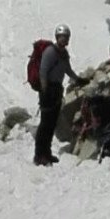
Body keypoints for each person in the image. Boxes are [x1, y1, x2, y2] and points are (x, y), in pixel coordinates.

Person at [34, 24, 85, 166]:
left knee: (51, 124)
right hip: (48, 91)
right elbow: (43, 71)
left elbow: (68, 70)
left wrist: (78, 80)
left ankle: (47, 153)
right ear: (57, 37)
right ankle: (39, 155)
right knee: (45, 124)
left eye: (66, 37)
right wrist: (44, 90)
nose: (64, 39)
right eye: (62, 37)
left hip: (56, 90)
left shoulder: (63, 53)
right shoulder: (50, 52)